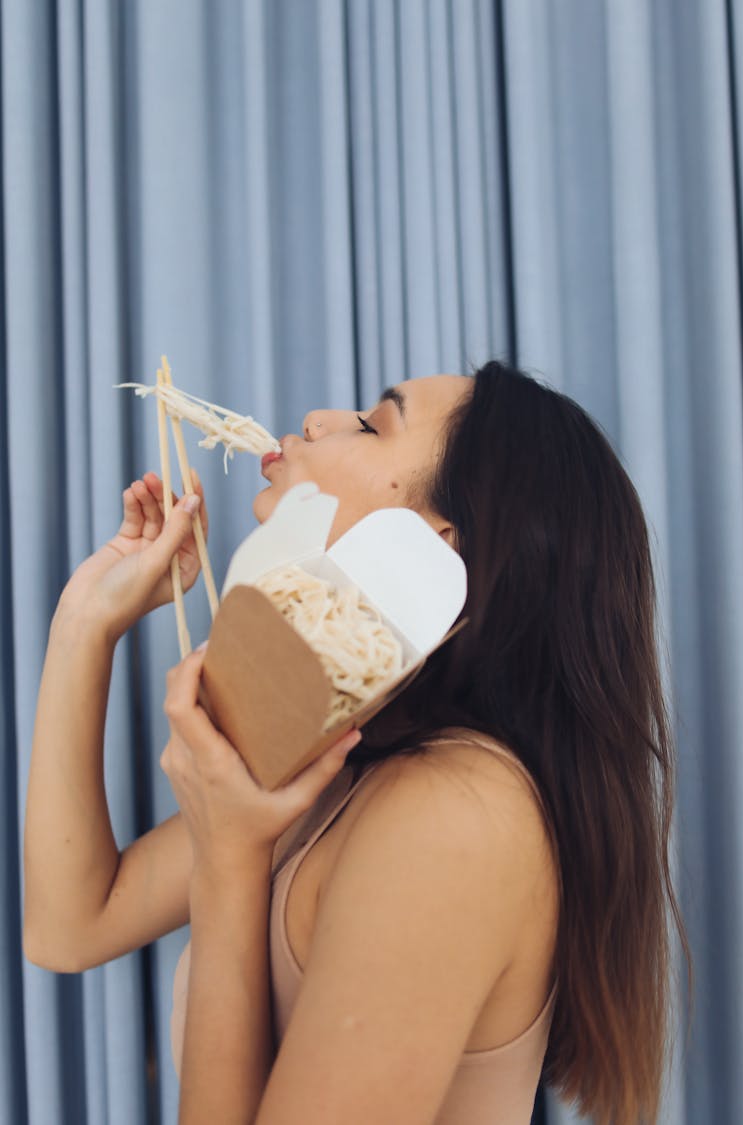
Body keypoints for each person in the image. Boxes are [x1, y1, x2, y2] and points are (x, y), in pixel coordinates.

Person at [24, 360, 689, 1124]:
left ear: (438, 546)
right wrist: (86, 623)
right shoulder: (336, 753)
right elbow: (71, 925)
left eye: (374, 426)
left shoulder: (457, 815)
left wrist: (229, 860)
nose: (317, 416)